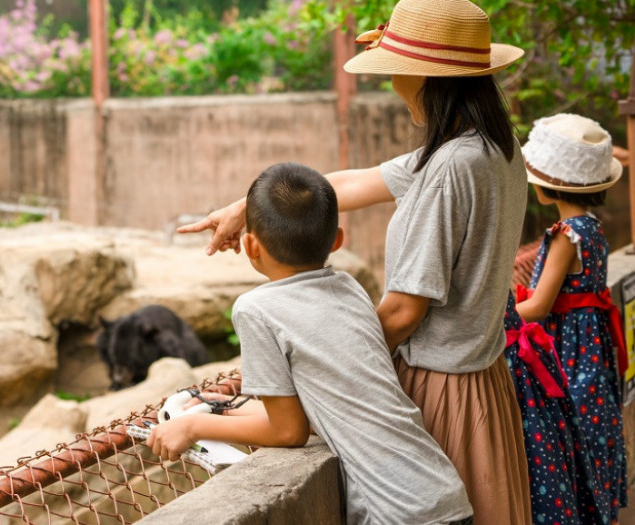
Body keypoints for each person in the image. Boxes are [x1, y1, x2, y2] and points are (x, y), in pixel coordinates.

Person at [177, 0, 531, 522]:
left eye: (395, 72)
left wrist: (334, 373)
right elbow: (348, 184)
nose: (391, 84)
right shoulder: (490, 147)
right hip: (483, 380)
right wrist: (245, 207)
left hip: (441, 389)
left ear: (427, 78)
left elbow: (406, 311)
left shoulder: (451, 168)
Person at [147, 162, 473, 525]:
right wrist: (223, 408)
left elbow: (288, 431)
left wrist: (191, 427)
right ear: (337, 240)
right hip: (442, 492)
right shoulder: (349, 287)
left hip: (400, 513)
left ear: (250, 245)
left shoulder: (256, 309)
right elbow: (332, 404)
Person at [515, 113, 628, 523]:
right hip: (592, 344)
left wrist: (498, 316)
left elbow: (541, 305)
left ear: (548, 182)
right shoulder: (592, 228)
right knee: (597, 427)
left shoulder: (566, 233)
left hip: (570, 348)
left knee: (575, 430)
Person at [503, 292, 605, 524]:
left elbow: (539, 306)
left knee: (537, 465)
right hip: (544, 351)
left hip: (569, 340)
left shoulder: (562, 251)